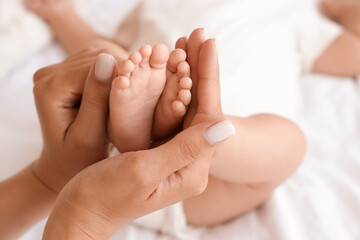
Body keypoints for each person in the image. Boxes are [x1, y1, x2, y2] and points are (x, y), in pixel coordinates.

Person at [0, 36, 236, 239]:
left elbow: (92, 44)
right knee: (269, 142)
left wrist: (48, 179)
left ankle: (136, 130)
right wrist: (82, 221)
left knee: (104, 51)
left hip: (121, 179)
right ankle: (192, 126)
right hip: (166, 190)